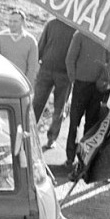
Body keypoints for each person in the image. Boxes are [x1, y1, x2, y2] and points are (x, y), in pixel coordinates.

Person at [64, 32, 110, 167]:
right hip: (81, 84)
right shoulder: (80, 35)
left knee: (91, 124)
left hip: (98, 86)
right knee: (74, 122)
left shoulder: (105, 36)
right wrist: (73, 79)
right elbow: (70, 58)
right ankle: (70, 157)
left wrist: (105, 78)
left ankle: (84, 159)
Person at [33, 18, 76, 150]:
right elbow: (41, 45)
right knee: (37, 104)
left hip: (64, 75)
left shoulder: (77, 29)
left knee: (59, 108)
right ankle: (29, 135)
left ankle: (52, 138)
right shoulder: (52, 24)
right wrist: (37, 64)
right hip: (46, 69)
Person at [0, 9, 38, 84]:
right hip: (2, 80)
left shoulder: (31, 41)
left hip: (21, 83)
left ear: (22, 23)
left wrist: (28, 84)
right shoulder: (0, 37)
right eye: (10, 21)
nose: (12, 24)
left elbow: (32, 67)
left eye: (15, 21)